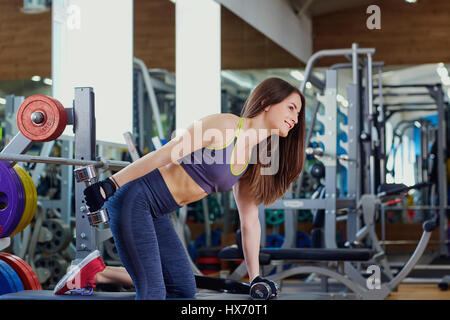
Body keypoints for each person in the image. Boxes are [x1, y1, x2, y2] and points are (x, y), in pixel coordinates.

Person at [54, 77, 306, 299]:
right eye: (291, 108)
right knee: (153, 293)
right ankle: (95, 273)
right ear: (266, 103)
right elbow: (165, 154)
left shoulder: (254, 158)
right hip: (135, 199)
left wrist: (255, 278)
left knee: (183, 289)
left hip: (157, 212)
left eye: (298, 113)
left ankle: (96, 273)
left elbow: (250, 223)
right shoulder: (225, 126)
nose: (295, 119)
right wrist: (110, 184)